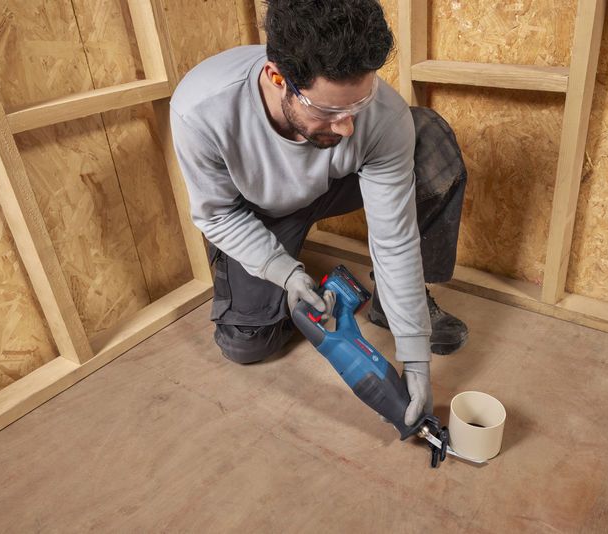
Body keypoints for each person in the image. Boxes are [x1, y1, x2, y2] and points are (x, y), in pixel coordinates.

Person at [170, 0, 468, 426]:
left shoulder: (380, 114)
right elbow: (217, 214)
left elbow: (394, 239)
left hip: (333, 184)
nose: (347, 127)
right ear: (278, 78)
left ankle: (396, 304)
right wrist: (284, 272)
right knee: (247, 344)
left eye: (358, 106)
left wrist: (415, 358)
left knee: (427, 138)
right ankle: (271, 267)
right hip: (258, 210)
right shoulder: (203, 109)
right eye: (329, 112)